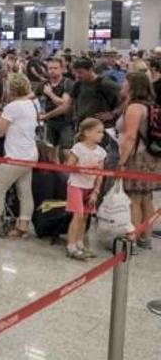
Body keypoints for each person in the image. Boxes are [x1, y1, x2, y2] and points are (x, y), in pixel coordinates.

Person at [0, 73, 37, 238]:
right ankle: (22, 227)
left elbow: (0, 131)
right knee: (25, 192)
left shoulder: (13, 107)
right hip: (30, 154)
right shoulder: (31, 104)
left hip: (16, 155)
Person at [115, 71, 160, 250]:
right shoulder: (151, 105)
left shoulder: (134, 107)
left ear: (133, 86)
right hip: (151, 157)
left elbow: (130, 137)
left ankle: (132, 237)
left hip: (136, 157)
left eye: (126, 82)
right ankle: (145, 237)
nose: (123, 85)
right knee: (146, 198)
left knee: (133, 198)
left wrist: (122, 161)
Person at [64, 118, 106, 261]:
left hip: (90, 187)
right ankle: (71, 245)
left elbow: (100, 174)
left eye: (102, 132)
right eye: (98, 131)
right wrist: (86, 168)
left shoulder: (101, 152)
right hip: (76, 185)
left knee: (86, 216)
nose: (102, 134)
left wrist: (96, 191)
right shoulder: (78, 148)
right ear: (87, 133)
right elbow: (68, 166)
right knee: (78, 215)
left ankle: (79, 243)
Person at [39, 57, 74, 162]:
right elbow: (31, 96)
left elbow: (63, 103)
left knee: (67, 152)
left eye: (55, 68)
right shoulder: (46, 84)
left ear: (62, 69)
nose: (52, 70)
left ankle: (69, 176)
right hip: (50, 123)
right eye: (50, 68)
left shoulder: (68, 83)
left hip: (66, 122)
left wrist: (50, 93)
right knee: (51, 151)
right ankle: (56, 175)